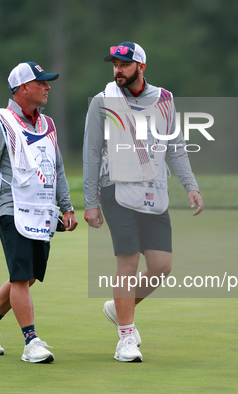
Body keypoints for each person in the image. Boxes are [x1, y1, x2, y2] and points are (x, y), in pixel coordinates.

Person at [83, 42, 203, 362]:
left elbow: (175, 146)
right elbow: (92, 153)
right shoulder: (102, 101)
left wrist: (190, 186)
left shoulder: (164, 99)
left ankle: (119, 307)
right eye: (115, 65)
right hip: (115, 189)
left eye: (124, 64)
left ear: (141, 67)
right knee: (128, 264)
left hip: (154, 188)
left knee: (162, 265)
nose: (118, 70)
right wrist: (90, 200)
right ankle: (125, 339)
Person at [0, 61, 78, 363]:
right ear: (24, 88)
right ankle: (31, 342)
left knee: (29, 278)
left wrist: (66, 206)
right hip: (9, 208)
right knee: (20, 275)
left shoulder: (47, 124)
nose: (48, 87)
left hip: (41, 209)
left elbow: (58, 168)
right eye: (42, 83)